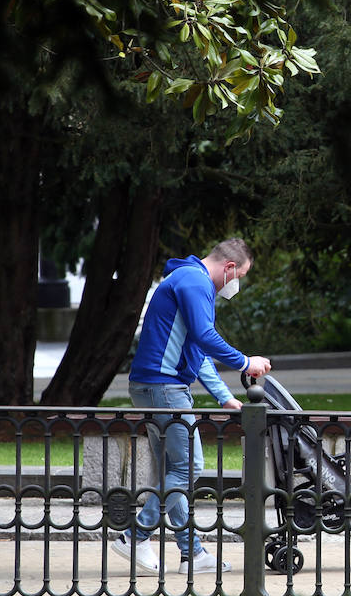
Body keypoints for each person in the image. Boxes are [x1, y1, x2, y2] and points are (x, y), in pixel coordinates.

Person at [113, 238, 271, 575]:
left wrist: (224, 398)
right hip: (165, 388)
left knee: (173, 472)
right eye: (240, 275)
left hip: (153, 387)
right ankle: (137, 535)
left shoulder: (186, 278)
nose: (237, 283)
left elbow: (195, 352)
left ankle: (190, 554)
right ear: (229, 268)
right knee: (187, 468)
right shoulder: (196, 281)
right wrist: (246, 362)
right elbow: (204, 336)